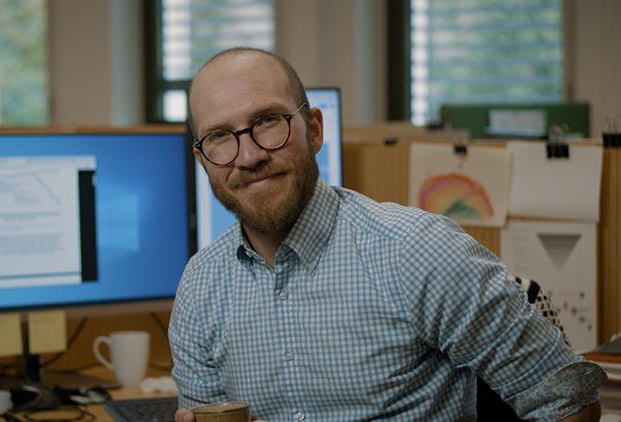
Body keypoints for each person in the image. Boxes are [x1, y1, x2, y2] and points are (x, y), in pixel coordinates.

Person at [169, 47, 606, 421]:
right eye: (220, 137)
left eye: (267, 122)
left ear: (315, 129)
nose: (247, 157)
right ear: (202, 158)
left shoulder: (418, 251)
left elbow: (566, 400)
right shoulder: (200, 288)